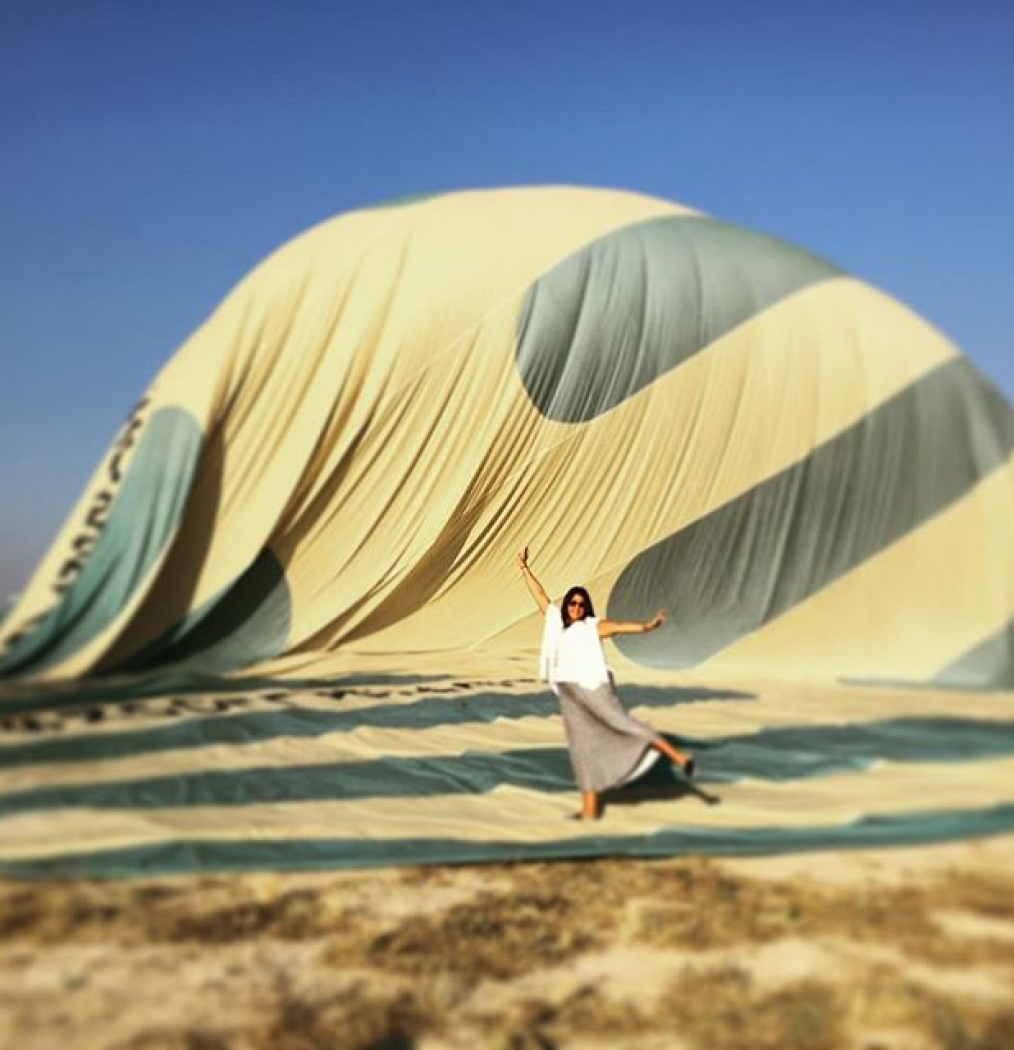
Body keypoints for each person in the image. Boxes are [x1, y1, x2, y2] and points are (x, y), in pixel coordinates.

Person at [517, 546, 696, 820]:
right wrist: (524, 569)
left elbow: (620, 626)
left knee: (622, 723)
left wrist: (647, 627)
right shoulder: (555, 622)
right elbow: (539, 594)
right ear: (566, 605)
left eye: (580, 604)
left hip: (593, 686)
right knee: (581, 746)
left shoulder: (592, 625)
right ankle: (589, 810)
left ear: (585, 607)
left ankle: (678, 757)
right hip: (569, 691)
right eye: (572, 603)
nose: (576, 607)